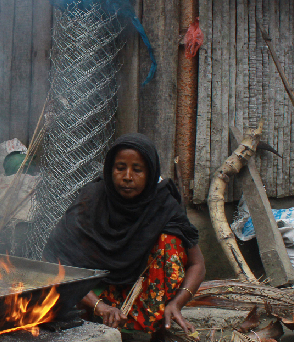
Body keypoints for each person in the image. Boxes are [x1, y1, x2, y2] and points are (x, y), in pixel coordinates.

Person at [43, 133, 205, 338]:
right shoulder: (92, 200)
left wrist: (177, 303)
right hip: (95, 296)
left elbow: (197, 265)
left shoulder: (164, 205)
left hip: (144, 295)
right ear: (111, 170)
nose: (127, 176)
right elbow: (55, 260)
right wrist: (98, 306)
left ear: (150, 173)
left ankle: (151, 324)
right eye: (120, 168)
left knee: (169, 241)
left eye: (137, 170)